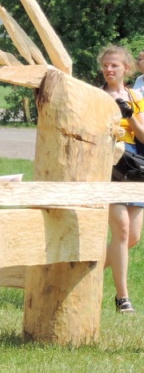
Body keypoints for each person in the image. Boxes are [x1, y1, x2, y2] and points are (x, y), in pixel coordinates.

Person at [100, 45, 144, 313]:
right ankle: (122, 297)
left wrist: (129, 115)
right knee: (122, 231)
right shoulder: (97, 97)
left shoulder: (136, 96)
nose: (109, 70)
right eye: (105, 65)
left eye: (114, 65)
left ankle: (88, 270)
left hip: (137, 169)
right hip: (110, 168)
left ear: (126, 68)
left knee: (133, 238)